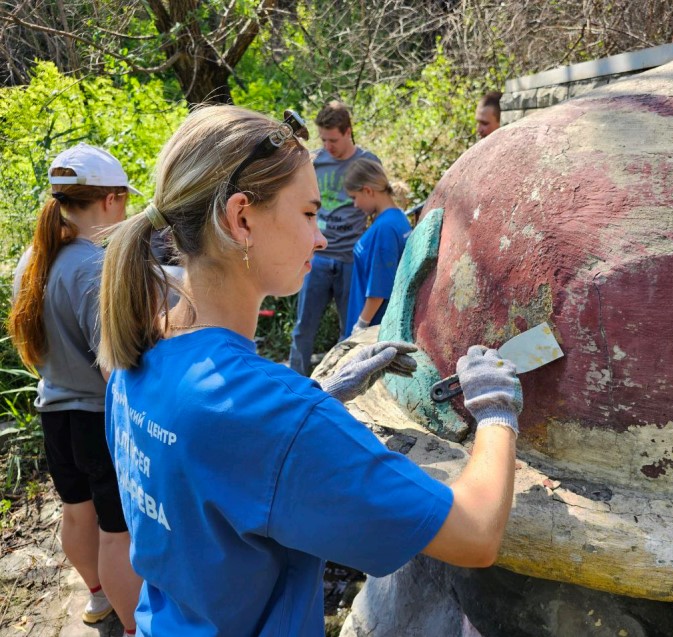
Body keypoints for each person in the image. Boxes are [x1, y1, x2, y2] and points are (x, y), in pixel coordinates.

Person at [97, 104, 523, 637]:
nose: (321, 238)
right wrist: (495, 409)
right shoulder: (271, 417)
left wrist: (315, 397)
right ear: (242, 219)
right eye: (307, 214)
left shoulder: (137, 354)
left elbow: (207, 484)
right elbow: (475, 534)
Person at [7, 143, 142, 636]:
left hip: (54, 413)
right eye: (124, 201)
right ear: (108, 200)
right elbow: (111, 363)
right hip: (94, 418)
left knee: (75, 510)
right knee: (117, 531)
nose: (126, 211)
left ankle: (99, 597)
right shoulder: (92, 265)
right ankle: (132, 626)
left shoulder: (32, 260)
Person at [289, 100, 380, 376]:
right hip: (317, 256)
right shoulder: (315, 161)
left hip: (351, 258)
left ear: (348, 131)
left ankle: (344, 380)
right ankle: (295, 381)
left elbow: (380, 204)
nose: (328, 146)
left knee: (351, 328)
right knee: (304, 326)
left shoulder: (367, 162)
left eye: (334, 140)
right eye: (324, 139)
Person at [343, 158, 412, 338]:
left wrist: (360, 326)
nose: (355, 205)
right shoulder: (398, 219)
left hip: (374, 327)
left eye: (354, 197)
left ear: (367, 190)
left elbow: (379, 288)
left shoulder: (385, 228)